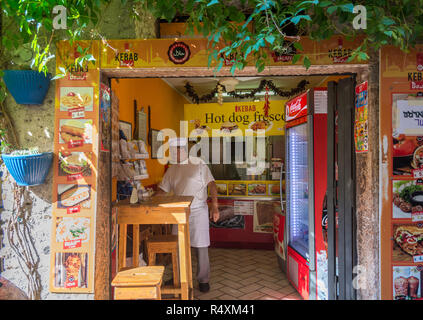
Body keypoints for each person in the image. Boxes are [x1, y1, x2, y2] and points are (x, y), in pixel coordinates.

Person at [155, 137, 219, 293]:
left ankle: (203, 279)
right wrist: (151, 199)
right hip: (179, 212)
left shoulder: (198, 164)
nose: (173, 154)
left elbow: (212, 184)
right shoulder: (172, 169)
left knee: (201, 247)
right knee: (177, 246)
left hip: (198, 210)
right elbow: (162, 190)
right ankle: (178, 277)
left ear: (182, 150)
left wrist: (215, 206)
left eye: (176, 150)